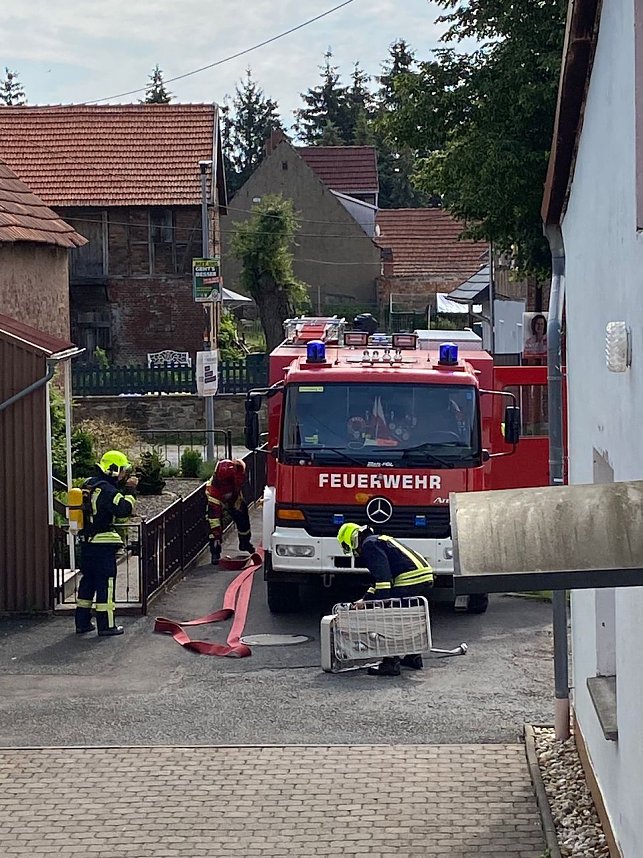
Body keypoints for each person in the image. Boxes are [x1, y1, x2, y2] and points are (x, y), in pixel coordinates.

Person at [337, 522, 434, 676]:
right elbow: (381, 580)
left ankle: (390, 663)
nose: (354, 552)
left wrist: (380, 605)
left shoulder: (369, 546)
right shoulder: (377, 540)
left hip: (409, 579)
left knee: (389, 620)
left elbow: (383, 580)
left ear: (351, 540)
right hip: (423, 577)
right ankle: (413, 656)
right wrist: (365, 600)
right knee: (407, 619)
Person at [75, 450, 138, 637]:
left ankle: (82, 623)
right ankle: (107, 625)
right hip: (102, 546)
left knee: (88, 582)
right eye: (122, 471)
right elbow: (123, 510)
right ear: (113, 469)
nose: (124, 475)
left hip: (86, 544)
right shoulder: (109, 491)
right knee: (105, 585)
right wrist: (130, 491)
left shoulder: (88, 484)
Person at [206, 459, 255, 565]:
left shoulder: (238, 469)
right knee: (214, 527)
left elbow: (242, 472)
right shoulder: (212, 491)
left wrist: (237, 497)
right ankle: (215, 552)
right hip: (218, 501)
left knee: (243, 519)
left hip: (235, 497)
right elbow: (214, 519)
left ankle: (245, 543)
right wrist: (217, 535)